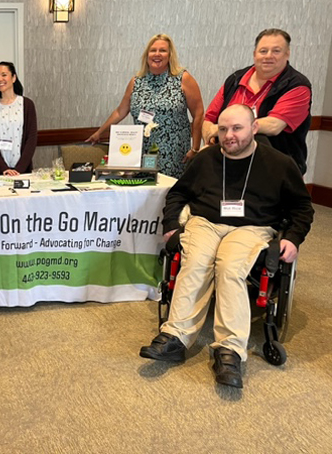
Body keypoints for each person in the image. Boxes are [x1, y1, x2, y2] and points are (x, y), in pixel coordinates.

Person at [139, 104, 313, 389]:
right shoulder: (205, 159)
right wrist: (171, 224)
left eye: (237, 128)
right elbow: (178, 193)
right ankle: (175, 337)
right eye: (222, 129)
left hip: (252, 226)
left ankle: (229, 350)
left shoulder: (280, 163)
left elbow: (302, 208)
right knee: (195, 262)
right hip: (206, 222)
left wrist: (292, 238)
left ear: (254, 128)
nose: (229, 136)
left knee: (230, 267)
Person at [86, 34, 204, 178]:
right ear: (147, 55)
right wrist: (100, 132)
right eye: (153, 50)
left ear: (170, 55)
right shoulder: (136, 81)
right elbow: (120, 111)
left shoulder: (183, 78)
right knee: (145, 194)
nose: (157, 54)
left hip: (174, 154)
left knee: (169, 195)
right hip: (142, 153)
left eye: (163, 50)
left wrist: (195, 148)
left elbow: (198, 113)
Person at [202, 28, 311, 174]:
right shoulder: (235, 79)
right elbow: (209, 119)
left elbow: (274, 125)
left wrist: (222, 129)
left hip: (275, 170)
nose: (268, 56)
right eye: (263, 51)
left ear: (287, 54)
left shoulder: (297, 86)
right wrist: (210, 142)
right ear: (254, 54)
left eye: (276, 51)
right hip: (227, 165)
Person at [0, 62, 38, 176]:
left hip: (21, 171)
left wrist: (19, 169)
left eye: (4, 75)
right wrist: (3, 168)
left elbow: (31, 139)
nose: (0, 79)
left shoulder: (27, 104)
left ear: (14, 77)